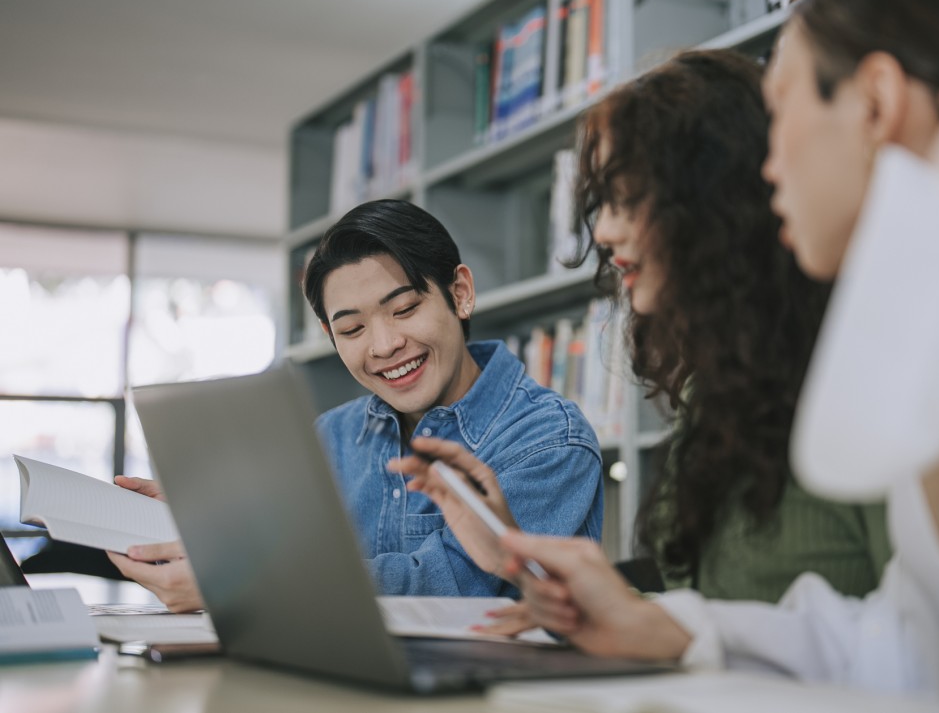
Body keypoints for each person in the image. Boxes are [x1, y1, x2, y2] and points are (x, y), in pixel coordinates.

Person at [424, 0, 939, 713]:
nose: (766, 169)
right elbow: (915, 643)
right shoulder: (934, 323)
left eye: (782, 110)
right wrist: (672, 625)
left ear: (876, 103)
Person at [398, 49, 890, 611]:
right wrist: (520, 563)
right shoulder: (721, 389)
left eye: (627, 200)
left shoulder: (865, 376)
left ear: (720, 201)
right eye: (601, 202)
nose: (604, 231)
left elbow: (923, 645)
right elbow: (701, 611)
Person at [109, 198, 605, 610]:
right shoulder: (332, 436)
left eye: (405, 309)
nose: (384, 345)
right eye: (352, 329)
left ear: (460, 293)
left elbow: (452, 586)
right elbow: (291, 547)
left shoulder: (549, 438)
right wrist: (209, 521)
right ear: (330, 335)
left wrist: (244, 582)